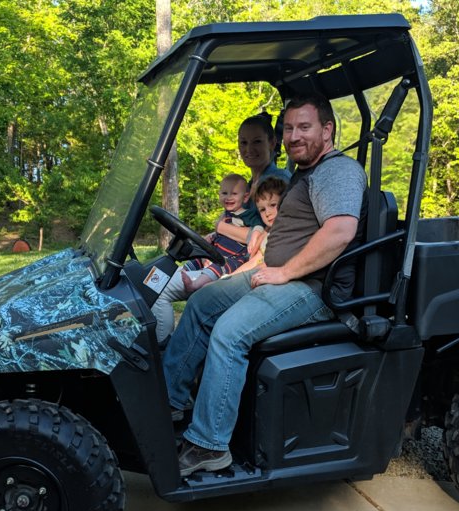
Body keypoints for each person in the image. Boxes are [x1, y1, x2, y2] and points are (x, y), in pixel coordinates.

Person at [163, 95, 367, 476]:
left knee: (229, 331)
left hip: (313, 288)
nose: (294, 136)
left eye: (304, 127)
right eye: (288, 128)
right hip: (279, 274)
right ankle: (169, 403)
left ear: (327, 130)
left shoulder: (337, 171)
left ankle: (209, 445)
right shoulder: (303, 173)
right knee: (203, 302)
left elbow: (340, 231)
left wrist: (285, 271)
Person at [152, 174, 264, 343]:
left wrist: (255, 233)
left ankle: (163, 342)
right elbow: (221, 233)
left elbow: (258, 226)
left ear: (246, 197)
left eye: (234, 194)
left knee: (158, 287)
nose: (228, 197)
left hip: (230, 260)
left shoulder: (247, 215)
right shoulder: (226, 215)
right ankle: (184, 272)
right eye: (224, 193)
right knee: (192, 262)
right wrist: (212, 236)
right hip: (214, 254)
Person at [185, 175, 286, 293]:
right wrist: (228, 279)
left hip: (256, 279)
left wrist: (228, 279)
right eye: (262, 210)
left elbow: (257, 262)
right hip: (247, 275)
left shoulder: (283, 233)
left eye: (273, 205)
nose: (268, 213)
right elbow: (254, 261)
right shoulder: (266, 233)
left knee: (204, 292)